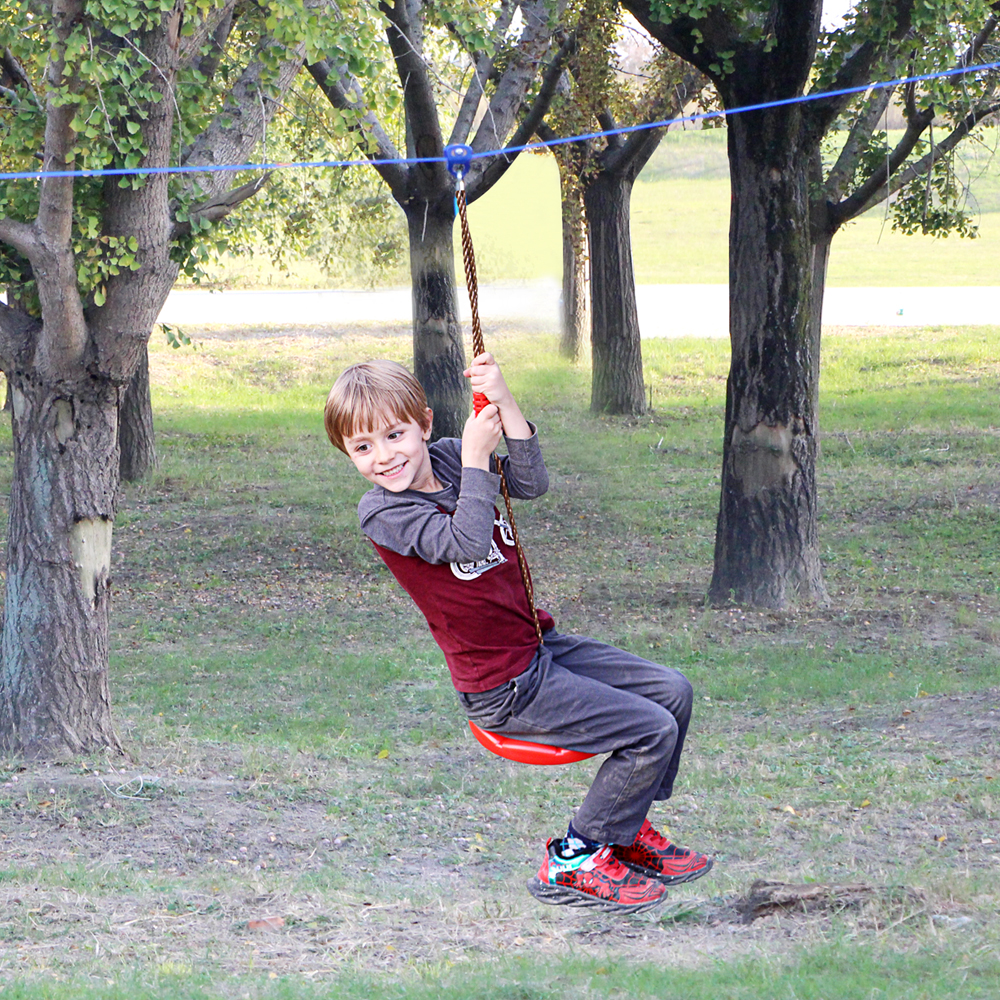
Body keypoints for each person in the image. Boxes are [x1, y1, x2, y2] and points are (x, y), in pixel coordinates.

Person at [324, 354, 712, 914]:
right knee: (649, 730)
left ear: (425, 424)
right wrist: (479, 459)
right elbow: (466, 542)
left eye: (394, 434)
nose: (383, 456)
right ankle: (575, 857)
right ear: (348, 454)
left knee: (672, 692)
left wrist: (505, 403)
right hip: (502, 686)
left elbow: (532, 482)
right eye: (362, 447)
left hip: (539, 646)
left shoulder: (455, 457)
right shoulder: (384, 512)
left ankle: (621, 829)